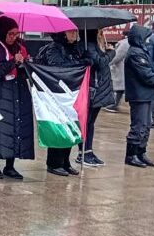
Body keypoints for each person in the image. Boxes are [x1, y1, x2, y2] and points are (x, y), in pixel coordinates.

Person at [0, 17, 33, 180]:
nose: (13, 37)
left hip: (17, 91)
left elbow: (27, 73)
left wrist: (24, 64)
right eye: (10, 34)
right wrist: (12, 62)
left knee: (16, 127)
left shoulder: (20, 47)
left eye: (16, 34)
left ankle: (10, 166)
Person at [34, 30, 91, 176]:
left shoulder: (74, 48)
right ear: (62, 33)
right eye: (71, 32)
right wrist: (78, 64)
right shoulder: (53, 48)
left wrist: (85, 59)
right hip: (56, 96)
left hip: (70, 96)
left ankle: (65, 161)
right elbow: (59, 68)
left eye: (75, 32)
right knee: (58, 128)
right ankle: (54, 163)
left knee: (71, 127)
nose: (74, 34)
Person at [124, 25, 154, 168]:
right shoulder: (135, 53)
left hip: (146, 94)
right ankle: (131, 155)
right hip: (139, 95)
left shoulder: (141, 51)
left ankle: (141, 152)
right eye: (146, 37)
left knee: (146, 125)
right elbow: (146, 74)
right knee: (139, 125)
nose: (148, 40)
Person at [76, 29, 115, 167]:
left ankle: (88, 150)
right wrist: (111, 53)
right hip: (92, 88)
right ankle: (83, 152)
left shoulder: (92, 45)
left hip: (98, 89)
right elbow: (99, 62)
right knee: (86, 122)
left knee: (90, 122)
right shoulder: (87, 45)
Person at [106, 30, 129, 113]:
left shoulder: (124, 43)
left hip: (120, 68)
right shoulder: (128, 42)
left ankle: (113, 104)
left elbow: (117, 56)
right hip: (123, 68)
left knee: (118, 87)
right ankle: (113, 104)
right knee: (119, 88)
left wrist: (108, 62)